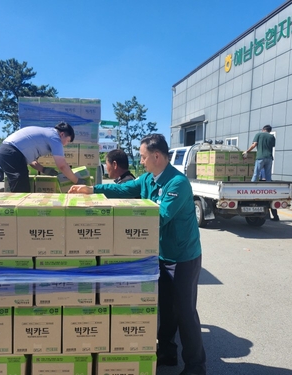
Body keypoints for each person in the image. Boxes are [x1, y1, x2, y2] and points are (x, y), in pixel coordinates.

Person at [69, 134, 206, 375]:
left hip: (183, 257)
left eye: (143, 157)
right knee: (165, 307)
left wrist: (118, 228)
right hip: (162, 255)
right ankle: (167, 352)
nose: (140, 161)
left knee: (185, 311)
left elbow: (160, 218)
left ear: (156, 156)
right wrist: (91, 189)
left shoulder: (177, 183)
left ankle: (196, 366)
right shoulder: (148, 179)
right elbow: (123, 190)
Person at [0, 121, 85, 192]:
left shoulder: (45, 133)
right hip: (11, 153)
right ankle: (17, 213)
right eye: (68, 140)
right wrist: (77, 181)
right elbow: (62, 165)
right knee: (21, 187)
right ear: (62, 134)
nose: (66, 144)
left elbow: (31, 161)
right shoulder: (55, 137)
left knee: (21, 184)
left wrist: (43, 169)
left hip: (6, 153)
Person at [243, 125, 279, 221]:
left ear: (263, 129)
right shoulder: (272, 137)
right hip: (269, 158)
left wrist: (247, 151)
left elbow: (254, 145)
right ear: (270, 131)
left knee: (256, 174)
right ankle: (269, 190)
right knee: (268, 176)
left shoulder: (259, 134)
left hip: (260, 157)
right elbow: (272, 146)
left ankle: (251, 188)